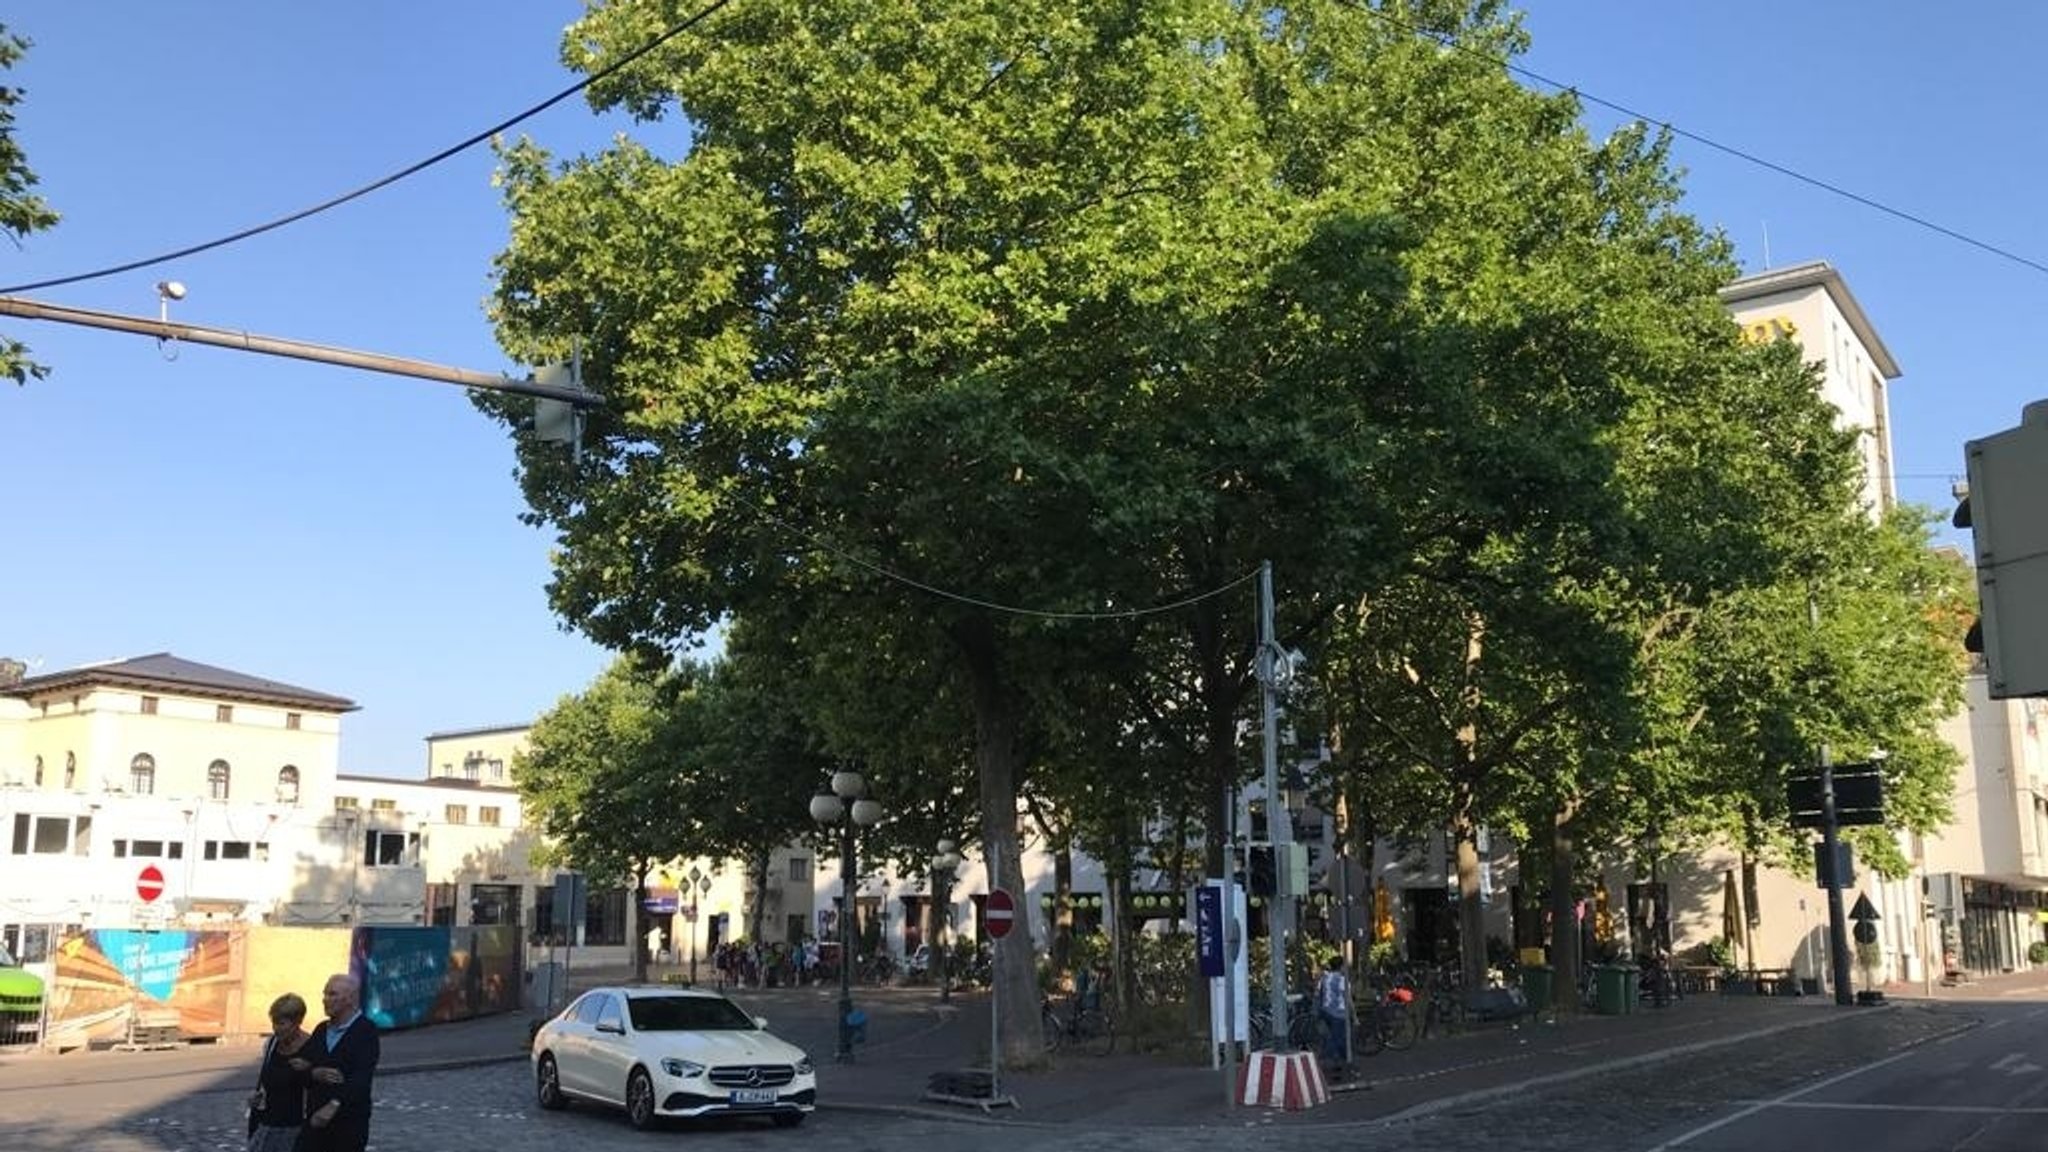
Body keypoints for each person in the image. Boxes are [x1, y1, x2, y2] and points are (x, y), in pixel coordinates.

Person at [295, 972, 380, 1152]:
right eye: (325, 994)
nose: (325, 1000)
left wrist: (334, 1105)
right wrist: (314, 1073)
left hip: (347, 1122)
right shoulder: (321, 1030)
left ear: (349, 998)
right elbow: (301, 1066)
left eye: (332, 994)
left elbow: (361, 1077)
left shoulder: (365, 1030)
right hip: (315, 1119)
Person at [246, 993, 312, 1152]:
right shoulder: (270, 1044)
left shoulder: (312, 1047)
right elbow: (266, 1082)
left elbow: (316, 1088)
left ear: (298, 1022)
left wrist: (309, 1069)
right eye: (274, 1022)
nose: (276, 1028)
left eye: (282, 1023)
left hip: (296, 1128)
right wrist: (256, 1098)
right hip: (267, 1126)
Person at [1315, 955, 1350, 1072]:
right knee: (1337, 1038)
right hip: (1338, 1013)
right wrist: (1354, 1016)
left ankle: (1339, 1060)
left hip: (1325, 1010)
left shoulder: (1325, 977)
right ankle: (1326, 1060)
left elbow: (1318, 992)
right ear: (1341, 966)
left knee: (1335, 1036)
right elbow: (1347, 998)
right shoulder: (1341, 979)